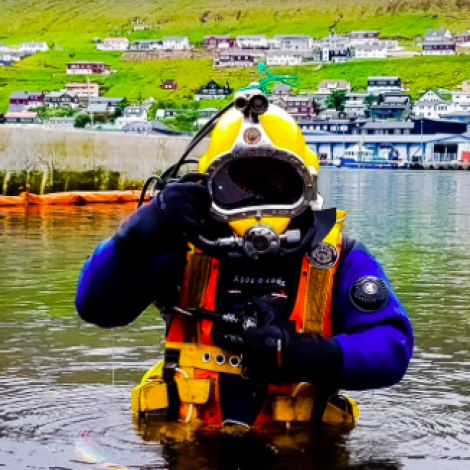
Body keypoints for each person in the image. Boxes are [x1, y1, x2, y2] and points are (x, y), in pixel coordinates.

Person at [76, 89, 413, 430]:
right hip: (192, 454)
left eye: (276, 183)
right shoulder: (185, 250)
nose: (256, 200)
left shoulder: (337, 258)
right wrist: (135, 237)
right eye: (237, 185)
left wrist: (302, 353)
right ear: (207, 185)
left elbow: (392, 347)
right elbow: (97, 307)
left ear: (307, 184)